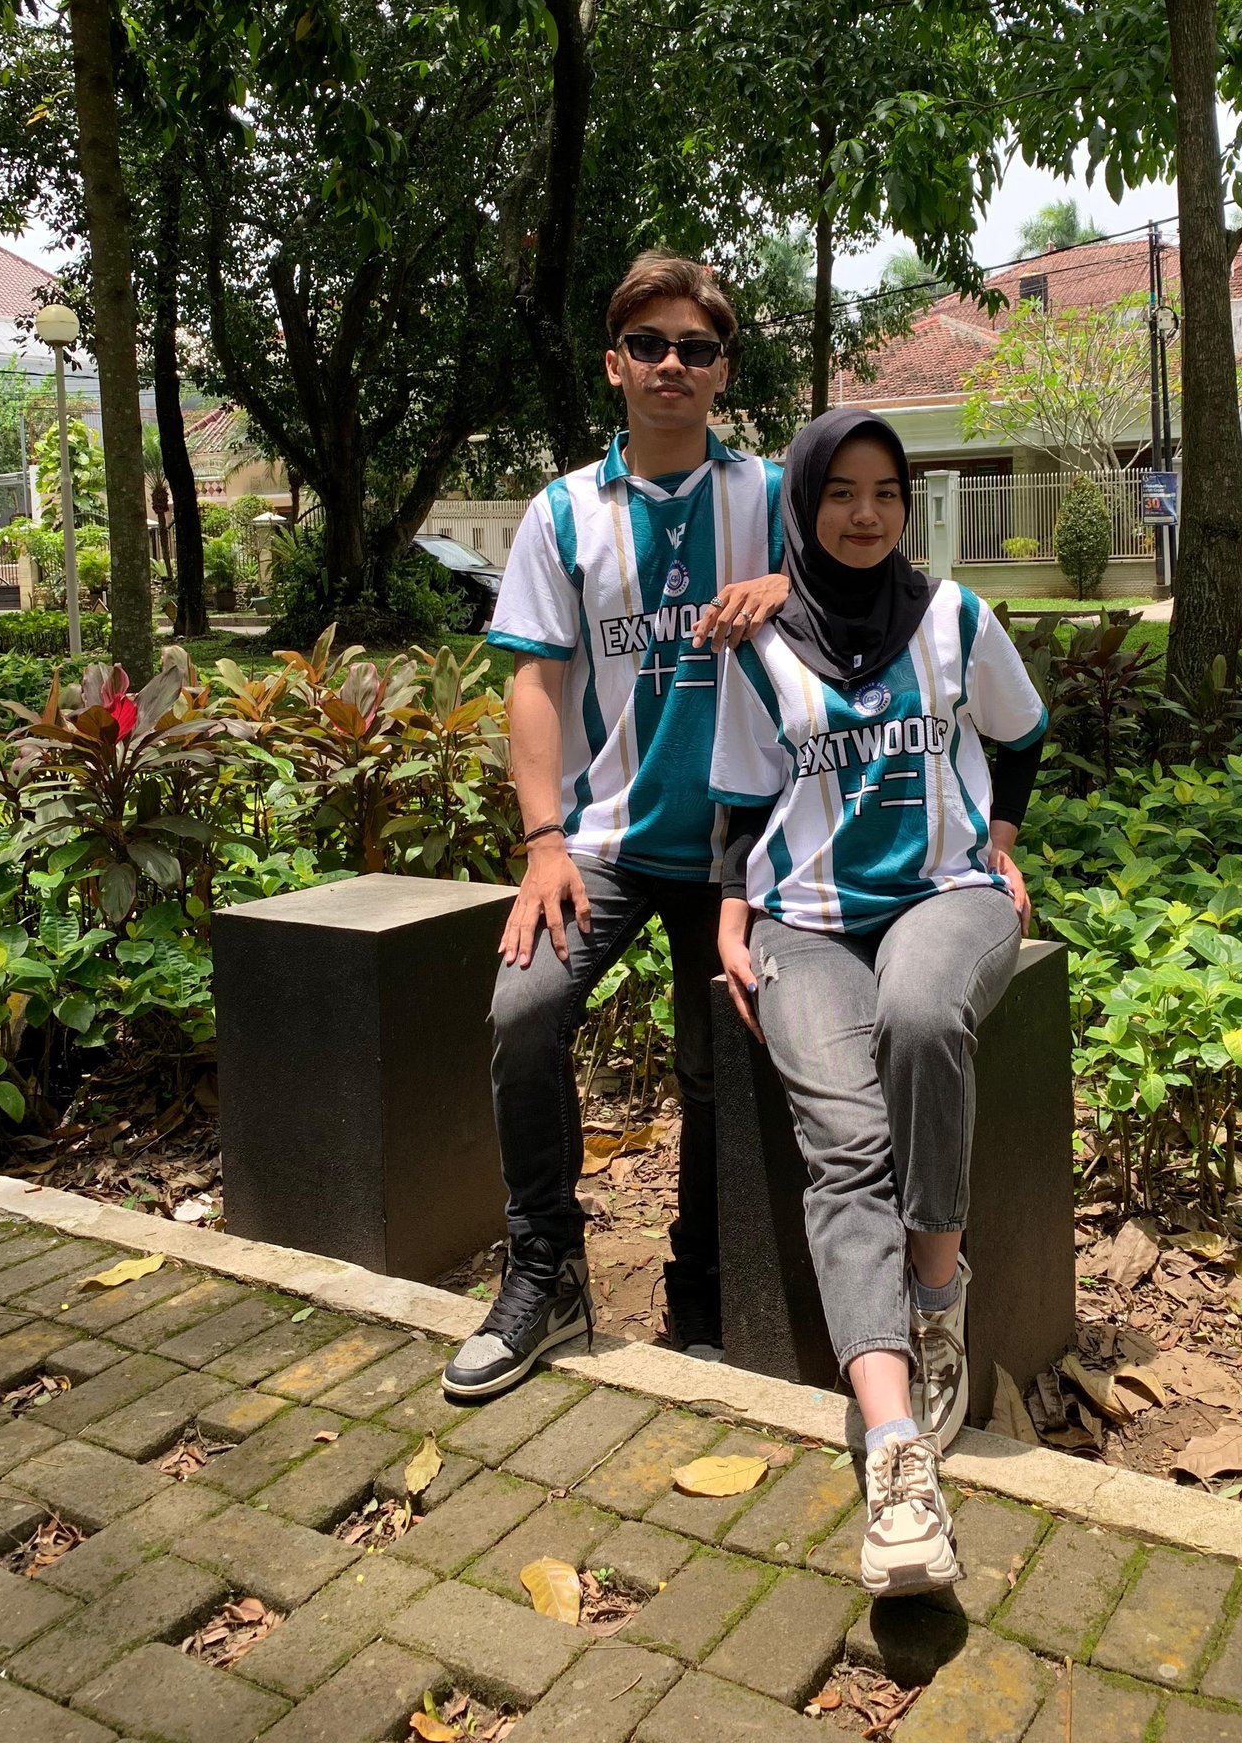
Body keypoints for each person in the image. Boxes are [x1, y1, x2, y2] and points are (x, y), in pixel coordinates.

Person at [710, 409, 1046, 1596]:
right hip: (803, 921)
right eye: (839, 493)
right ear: (802, 508)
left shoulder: (955, 618)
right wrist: (728, 910)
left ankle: (939, 1296)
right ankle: (895, 1446)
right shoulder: (757, 644)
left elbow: (1024, 732)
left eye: (886, 493)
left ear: (908, 507)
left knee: (919, 1013)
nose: (864, 514)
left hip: (948, 896)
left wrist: (1002, 841)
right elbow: (744, 794)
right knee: (845, 1141)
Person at [444, 253, 787, 1400]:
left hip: (742, 844)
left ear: (722, 370)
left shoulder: (775, 498)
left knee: (714, 1064)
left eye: (695, 346)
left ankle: (703, 1292)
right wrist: (543, 840)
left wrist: (790, 590)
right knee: (525, 1011)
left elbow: (869, 586)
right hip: (599, 842)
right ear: (615, 364)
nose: (672, 364)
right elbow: (533, 681)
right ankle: (547, 1266)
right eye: (650, 345)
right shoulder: (563, 514)